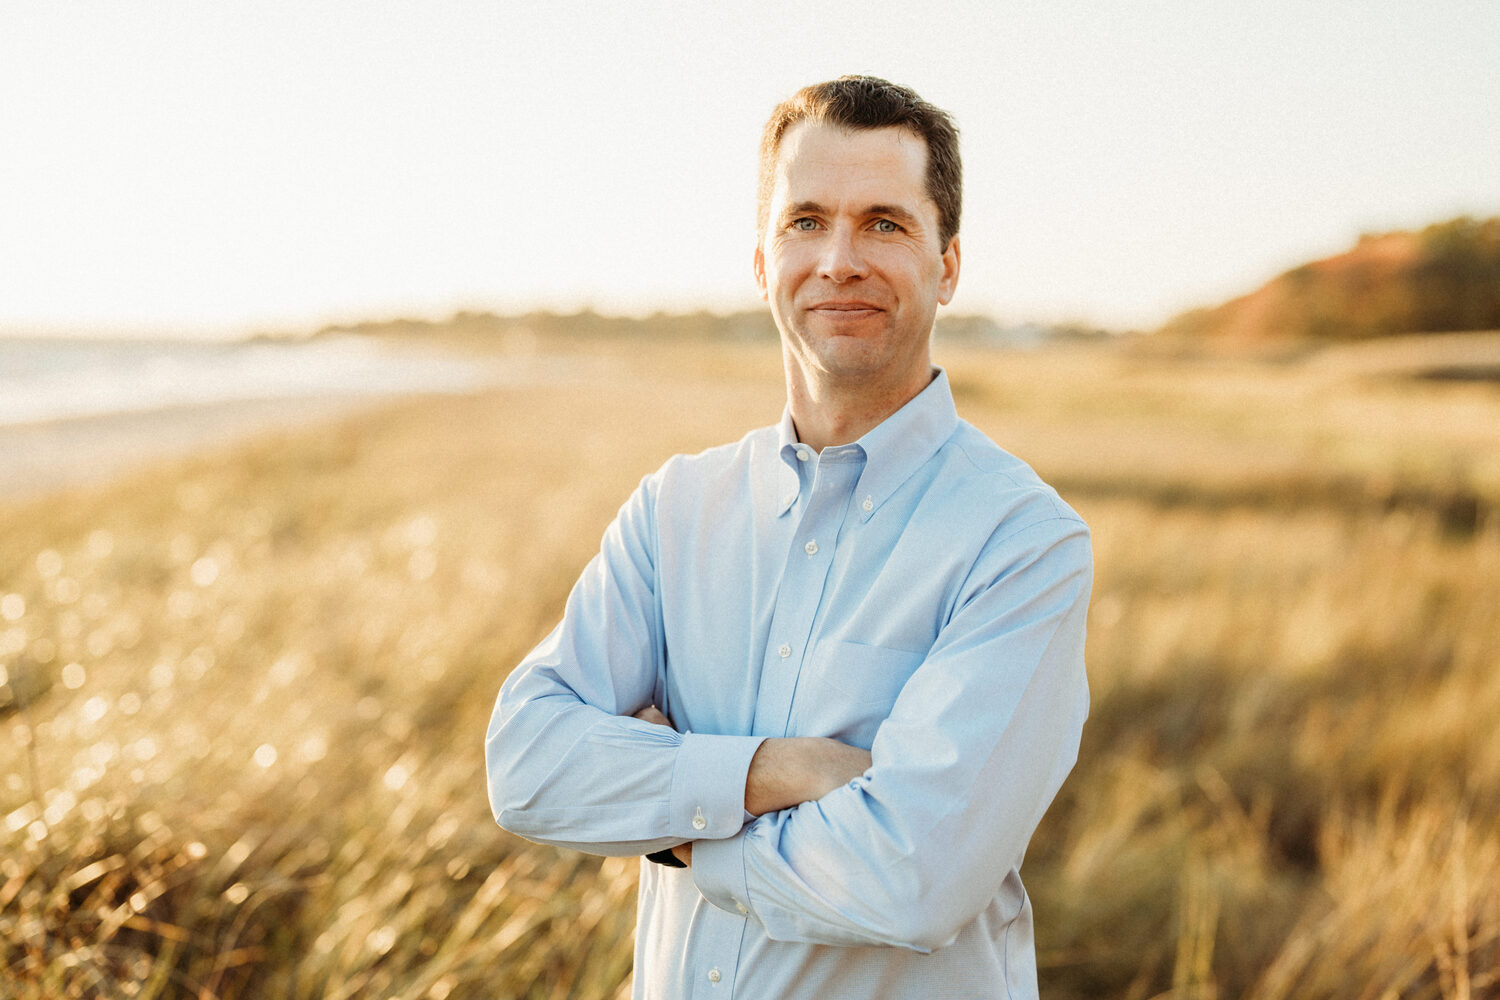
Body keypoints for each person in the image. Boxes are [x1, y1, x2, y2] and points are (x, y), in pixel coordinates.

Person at [485, 75, 1091, 999]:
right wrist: (778, 770)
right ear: (764, 262)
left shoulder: (1021, 543)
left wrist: (675, 819)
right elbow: (528, 765)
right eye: (806, 220)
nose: (840, 259)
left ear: (948, 264)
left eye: (884, 223)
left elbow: (913, 879)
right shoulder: (676, 508)